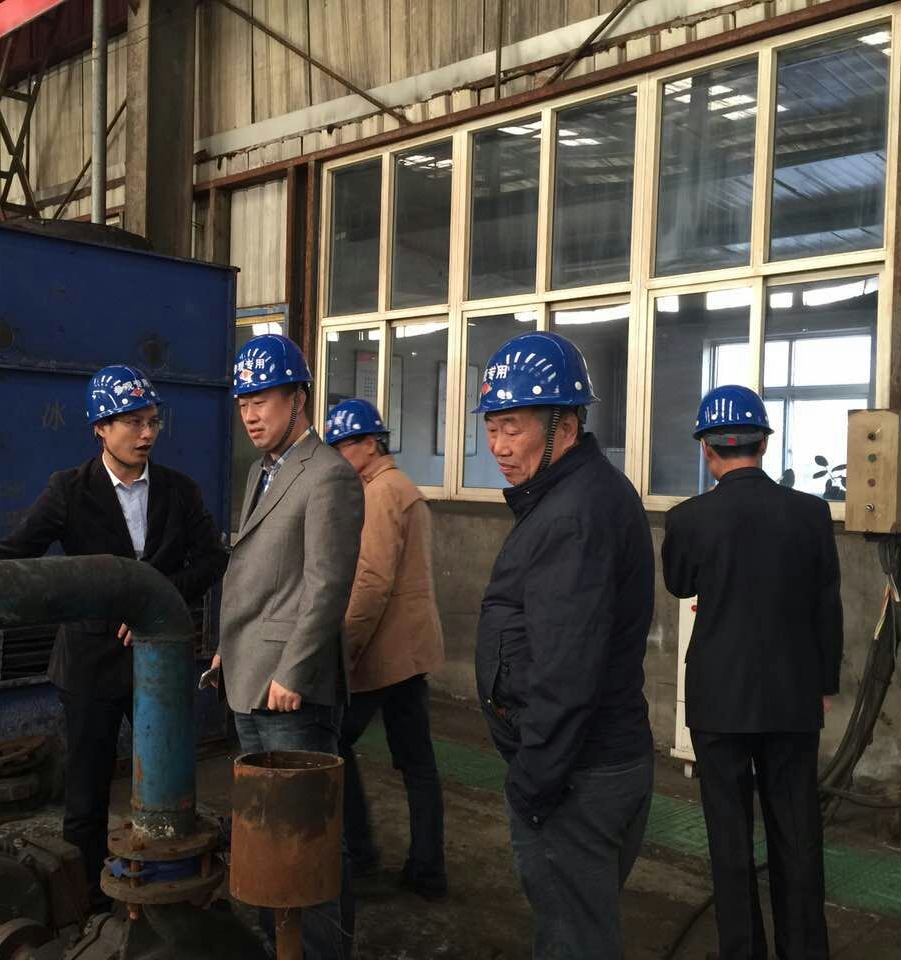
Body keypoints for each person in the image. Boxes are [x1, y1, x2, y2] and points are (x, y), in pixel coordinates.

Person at [0, 364, 228, 911]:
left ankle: (167, 893)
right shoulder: (69, 491)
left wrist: (157, 599)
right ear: (100, 428)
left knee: (169, 786)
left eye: (153, 421)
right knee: (86, 795)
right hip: (90, 665)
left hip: (159, 663)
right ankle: (89, 905)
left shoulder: (179, 491)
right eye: (133, 422)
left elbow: (212, 559)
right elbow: (18, 550)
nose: (147, 433)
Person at [474, 331, 655, 959]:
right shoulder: (577, 495)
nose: (499, 446)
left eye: (513, 428)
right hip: (594, 762)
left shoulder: (572, 515)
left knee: (574, 940)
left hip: (578, 775)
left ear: (566, 426)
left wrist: (532, 784)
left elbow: (567, 672)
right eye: (491, 427)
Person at [661, 384, 842, 960]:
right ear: (764, 443)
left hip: (719, 700)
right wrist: (824, 685)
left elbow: (680, 584)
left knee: (729, 839)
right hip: (793, 697)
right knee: (798, 836)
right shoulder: (811, 514)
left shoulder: (688, 518)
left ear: (706, 449)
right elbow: (827, 606)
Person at [212, 334, 363, 960]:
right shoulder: (262, 472)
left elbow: (327, 585)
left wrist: (293, 671)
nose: (250, 415)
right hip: (250, 676)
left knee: (309, 835)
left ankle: (323, 950)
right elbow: (260, 573)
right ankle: (278, 945)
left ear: (298, 398)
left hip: (290, 691)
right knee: (265, 828)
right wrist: (228, 647)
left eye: (263, 400)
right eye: (244, 403)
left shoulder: (327, 475)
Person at [325, 398, 447, 900]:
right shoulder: (402, 489)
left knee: (334, 742)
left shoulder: (379, 494)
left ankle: (360, 852)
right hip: (411, 653)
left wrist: (344, 649)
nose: (338, 455)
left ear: (371, 443)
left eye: (344, 445)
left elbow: (371, 582)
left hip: (383, 654)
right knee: (417, 762)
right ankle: (427, 869)